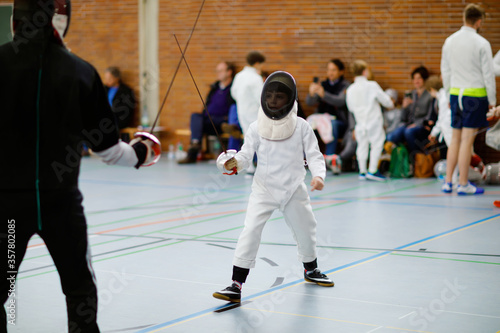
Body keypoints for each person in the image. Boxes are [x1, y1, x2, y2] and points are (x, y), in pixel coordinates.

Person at [0, 1, 160, 332]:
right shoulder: (80, 71)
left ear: (15, 22)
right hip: (61, 205)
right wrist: (141, 153)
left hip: (7, 208)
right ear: (59, 23)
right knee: (79, 289)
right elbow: (110, 151)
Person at [213, 71, 334, 303]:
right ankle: (236, 285)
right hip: (264, 189)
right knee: (250, 231)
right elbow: (245, 157)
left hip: (293, 188)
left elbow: (315, 156)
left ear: (289, 99)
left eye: (279, 96)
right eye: (270, 95)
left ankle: (311, 269)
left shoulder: (301, 126)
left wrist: (319, 176)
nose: (274, 100)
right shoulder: (256, 127)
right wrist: (231, 162)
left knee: (307, 227)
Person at [440, 3, 496, 195]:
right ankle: (463, 183)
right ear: (479, 21)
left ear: (464, 18)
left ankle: (448, 181)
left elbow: (445, 71)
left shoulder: (449, 41)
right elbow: (488, 74)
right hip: (475, 95)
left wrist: (448, 94)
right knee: (466, 141)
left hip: (456, 93)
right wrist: (492, 100)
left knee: (455, 138)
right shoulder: (481, 43)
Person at [178, 61, 236, 163]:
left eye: (221, 71)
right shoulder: (214, 88)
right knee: (196, 116)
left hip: (222, 122)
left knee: (200, 121)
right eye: (217, 71)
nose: (218, 73)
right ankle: (195, 144)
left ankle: (193, 153)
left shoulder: (233, 88)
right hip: (209, 121)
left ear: (229, 72)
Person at [346, 60, 394, 181]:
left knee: (362, 146)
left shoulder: (350, 89)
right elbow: (386, 101)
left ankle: (362, 171)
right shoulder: (372, 85)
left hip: (360, 122)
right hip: (374, 121)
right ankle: (373, 170)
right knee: (376, 144)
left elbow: (350, 108)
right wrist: (391, 103)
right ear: (364, 71)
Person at [306, 59, 350, 160]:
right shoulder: (323, 84)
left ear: (341, 71)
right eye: (329, 70)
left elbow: (340, 101)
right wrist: (311, 94)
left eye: (334, 70)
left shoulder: (345, 85)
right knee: (307, 124)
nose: (330, 73)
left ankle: (329, 158)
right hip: (321, 119)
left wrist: (324, 95)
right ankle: (306, 157)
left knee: (331, 125)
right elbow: (309, 103)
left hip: (339, 121)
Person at [386, 66, 436, 154]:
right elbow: (403, 118)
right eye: (414, 79)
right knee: (391, 137)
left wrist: (417, 124)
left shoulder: (430, 95)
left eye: (419, 78)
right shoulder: (411, 94)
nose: (416, 81)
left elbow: (430, 116)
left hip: (423, 127)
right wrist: (404, 107)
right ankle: (401, 159)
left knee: (409, 132)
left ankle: (415, 159)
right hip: (408, 125)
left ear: (424, 79)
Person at [230, 51, 266, 174]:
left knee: (248, 138)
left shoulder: (239, 76)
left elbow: (233, 93)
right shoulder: (256, 78)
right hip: (254, 112)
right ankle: (262, 166)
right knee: (261, 139)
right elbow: (261, 98)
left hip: (242, 111)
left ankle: (249, 166)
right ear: (257, 64)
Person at [103, 66, 137, 135]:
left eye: (110, 78)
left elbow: (127, 110)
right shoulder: (104, 89)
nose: (107, 81)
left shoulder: (126, 91)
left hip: (118, 122)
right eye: (106, 78)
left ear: (116, 78)